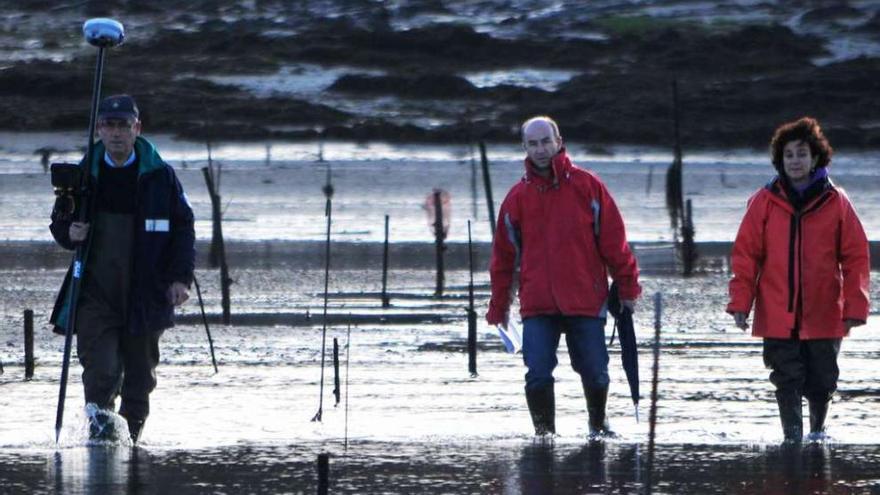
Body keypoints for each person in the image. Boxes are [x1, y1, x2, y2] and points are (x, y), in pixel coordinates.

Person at [50, 94, 195, 443]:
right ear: (99, 130)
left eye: (124, 126)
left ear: (137, 129)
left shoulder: (160, 176)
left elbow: (183, 227)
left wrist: (180, 278)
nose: (117, 133)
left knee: (140, 380)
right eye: (110, 125)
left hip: (147, 292)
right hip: (95, 291)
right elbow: (60, 221)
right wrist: (69, 232)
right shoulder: (82, 176)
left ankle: (129, 448)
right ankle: (101, 442)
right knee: (101, 372)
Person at [486, 116, 641, 438]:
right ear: (524, 148)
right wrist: (499, 306)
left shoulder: (588, 187)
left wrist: (627, 287)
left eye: (546, 141)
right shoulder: (517, 198)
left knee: (596, 373)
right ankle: (544, 436)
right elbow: (503, 259)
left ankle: (597, 427)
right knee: (538, 375)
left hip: (586, 300)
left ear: (559, 141)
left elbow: (615, 243)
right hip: (538, 305)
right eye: (533, 143)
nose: (540, 149)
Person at [727, 116, 870, 443]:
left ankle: (817, 433)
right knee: (786, 377)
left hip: (824, 310)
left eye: (802, 154)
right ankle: (792, 438)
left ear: (816, 158)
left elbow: (855, 257)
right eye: (789, 154)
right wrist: (740, 303)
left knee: (822, 380)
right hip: (777, 310)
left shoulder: (837, 201)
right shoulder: (763, 201)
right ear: (780, 159)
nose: (795, 161)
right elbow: (746, 255)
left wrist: (855, 306)